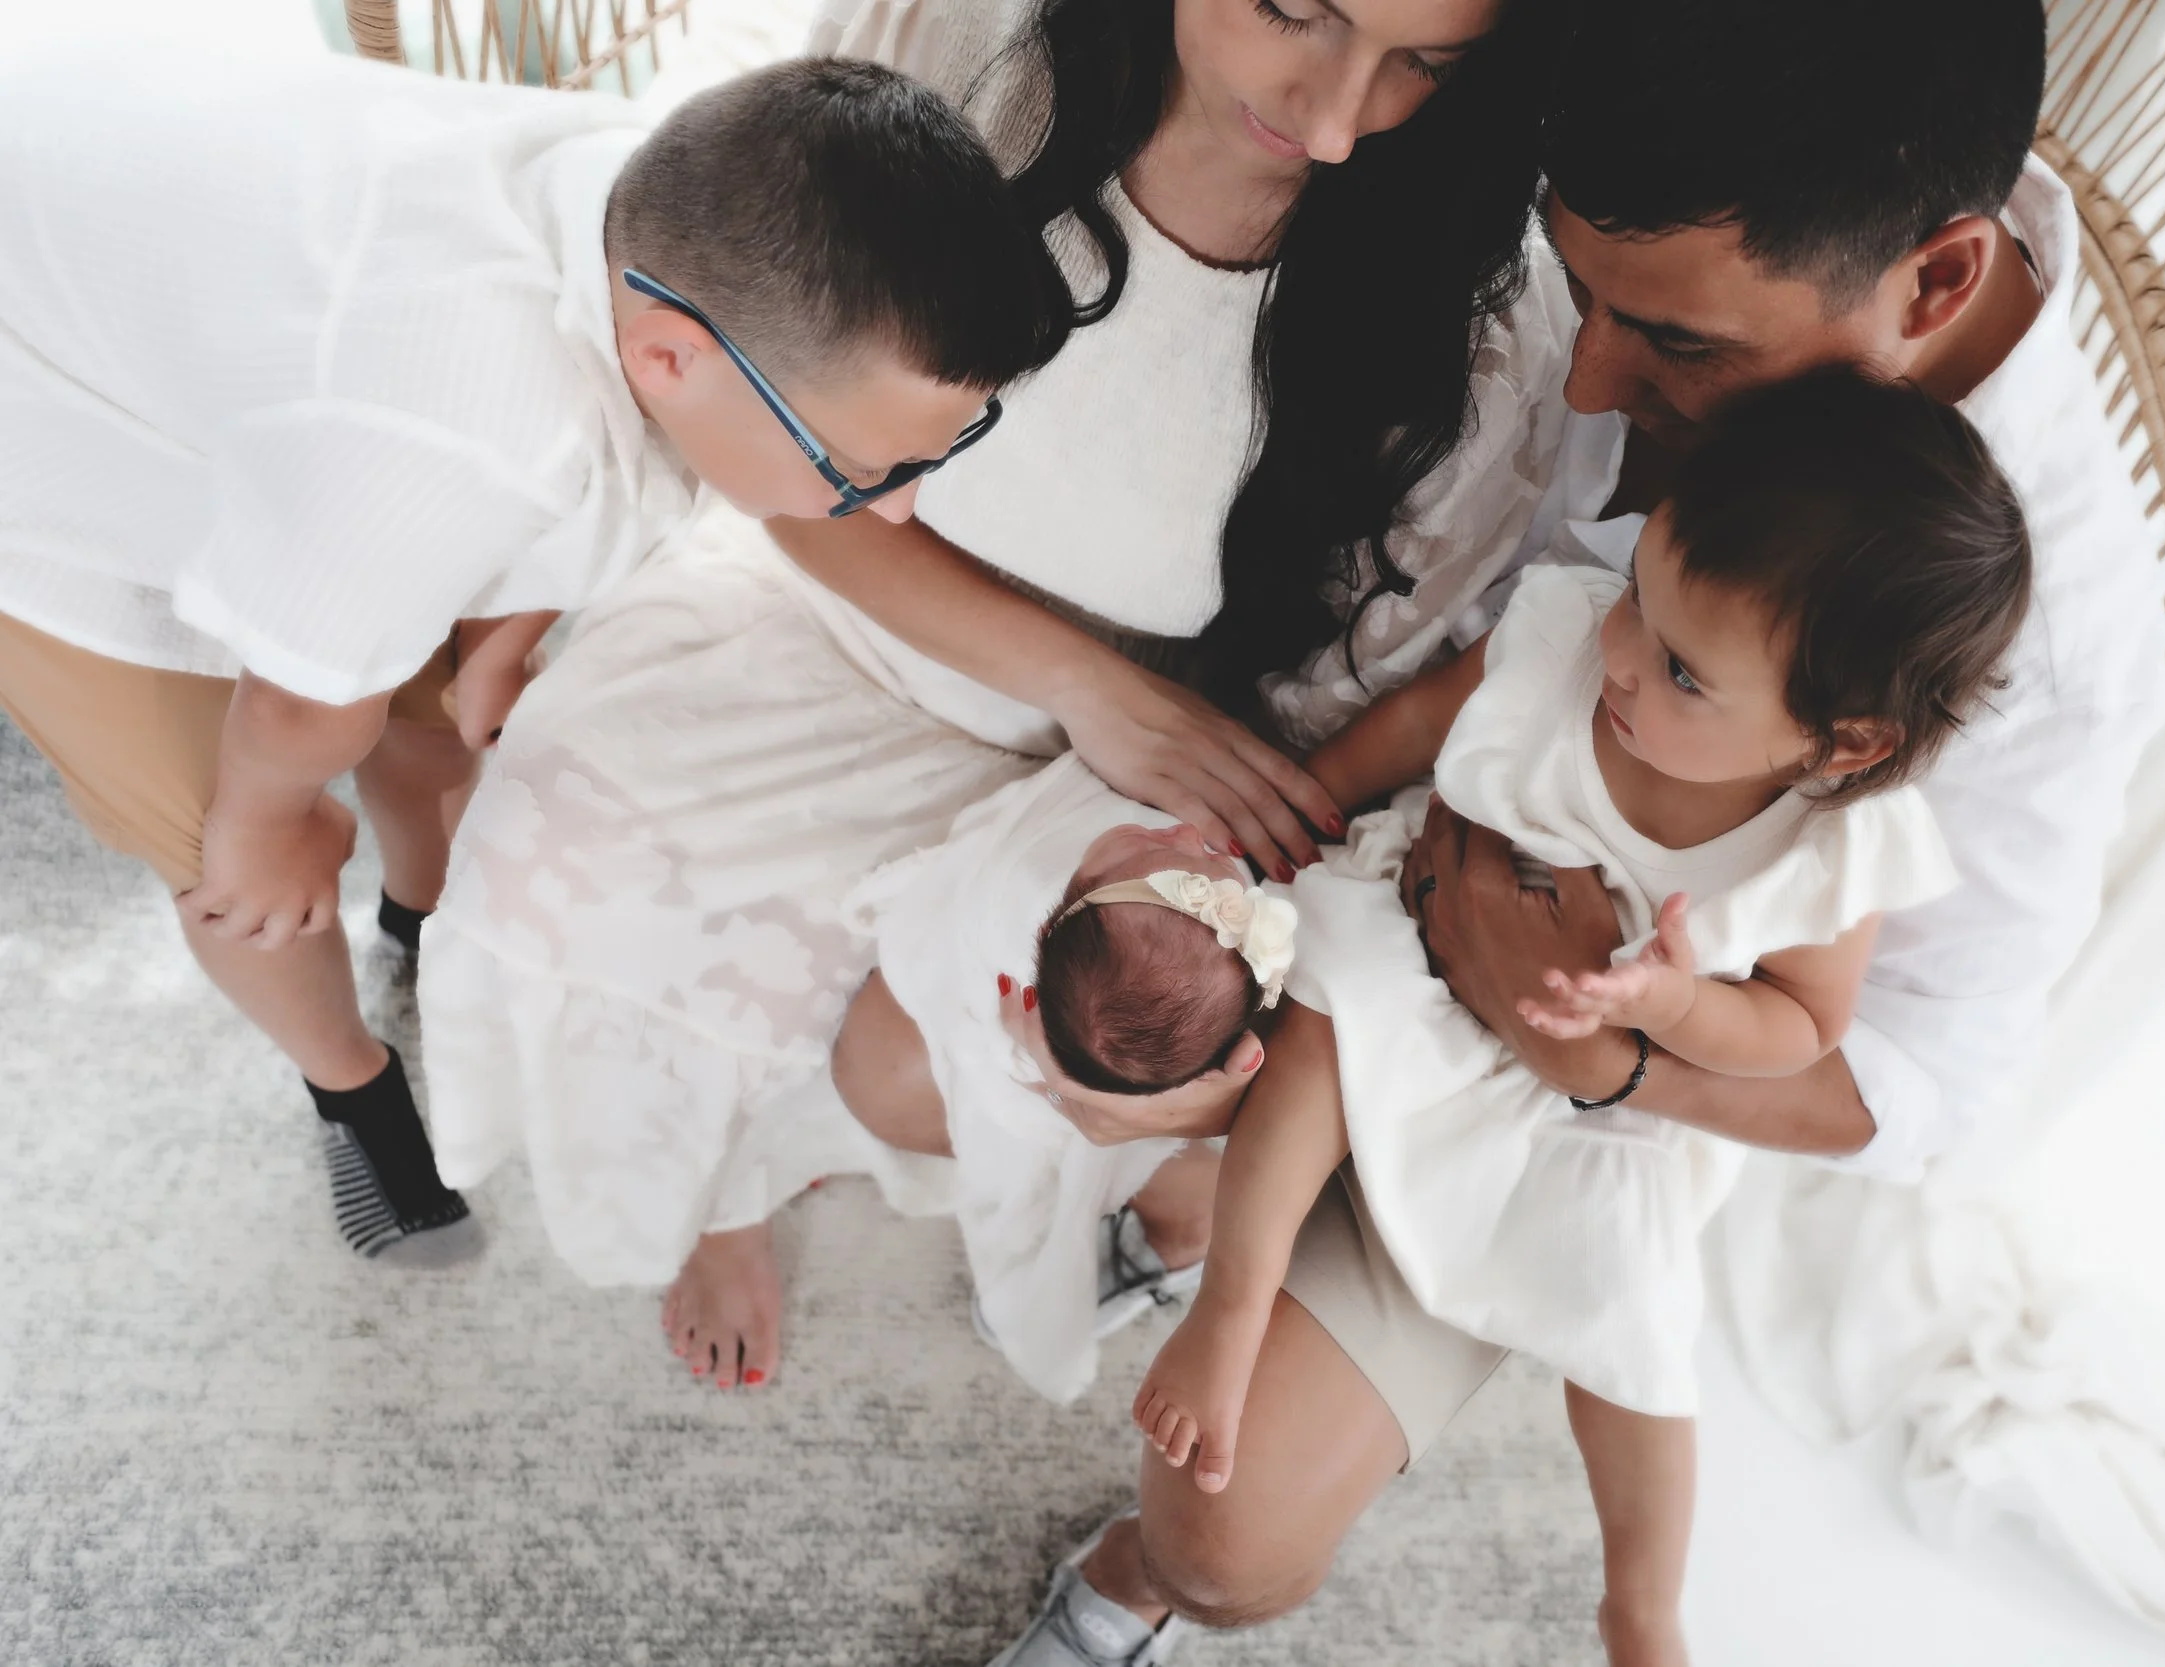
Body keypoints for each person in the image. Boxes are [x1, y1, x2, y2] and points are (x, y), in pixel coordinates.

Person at [989, 1, 2165, 1663]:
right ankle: (1214, 1188)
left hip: (1564, 1075)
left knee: (1230, 1540)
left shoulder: (2041, 646)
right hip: (1346, 801)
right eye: (1582, 291)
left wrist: (1603, 1054)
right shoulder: (1678, 150)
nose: (1595, 374)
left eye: (1676, 346)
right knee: (982, 1047)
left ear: (1935, 284)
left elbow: (1916, 1087)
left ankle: (1159, 1548)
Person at [417, 0, 1578, 1390]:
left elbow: (1333, 707)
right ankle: (715, 1189)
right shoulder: (966, 50)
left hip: (1125, 752)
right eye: (1295, 12)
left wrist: (1145, 803)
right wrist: (1078, 678)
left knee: (980, 1059)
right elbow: (767, 438)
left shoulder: (1471, 315)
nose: (1333, 122)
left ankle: (815, 1152)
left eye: (1421, 67)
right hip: (830, 593)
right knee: (552, 840)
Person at [0, 47, 1070, 1263]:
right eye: (861, 468)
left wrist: (502, 634)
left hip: (246, 338)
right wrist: (268, 824)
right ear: (674, 358)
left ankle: (418, 903)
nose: (895, 514)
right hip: (45, 424)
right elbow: (302, 706)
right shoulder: (469, 433)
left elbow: (524, 515)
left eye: (938, 451)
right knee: (233, 859)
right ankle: (347, 1082)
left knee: (430, 711)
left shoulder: (677, 217)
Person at [1129, 371, 2028, 1666]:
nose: (1616, 656)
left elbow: (1801, 1030)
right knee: (1334, 1000)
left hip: (1601, 1103)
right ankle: (1233, 1298)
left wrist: (1671, 1006)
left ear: (1837, 746)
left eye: (1676, 668)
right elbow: (1422, 724)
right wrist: (1287, 821)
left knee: (1639, 1321)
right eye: (1635, 597)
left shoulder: (1831, 851)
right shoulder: (1568, 642)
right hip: (1422, 951)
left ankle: (1641, 1599)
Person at [830, 752, 1298, 1404]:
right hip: (1062, 1068)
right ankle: (1159, 1194)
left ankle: (1172, 1208)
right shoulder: (1203, 927)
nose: (1188, 834)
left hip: (1061, 1078)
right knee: (939, 1095)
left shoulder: (1097, 909)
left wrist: (1049, 1088)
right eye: (1179, 849)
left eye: (1207, 863)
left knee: (1027, 1143)